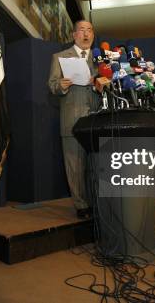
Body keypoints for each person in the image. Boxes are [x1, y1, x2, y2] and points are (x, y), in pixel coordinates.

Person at [48, 20, 99, 219]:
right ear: (74, 35)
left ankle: (97, 202)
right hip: (72, 119)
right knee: (74, 165)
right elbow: (52, 85)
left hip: (96, 119)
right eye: (82, 30)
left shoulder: (101, 58)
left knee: (96, 165)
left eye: (90, 30)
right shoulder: (60, 57)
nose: (86, 34)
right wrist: (61, 84)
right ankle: (81, 205)